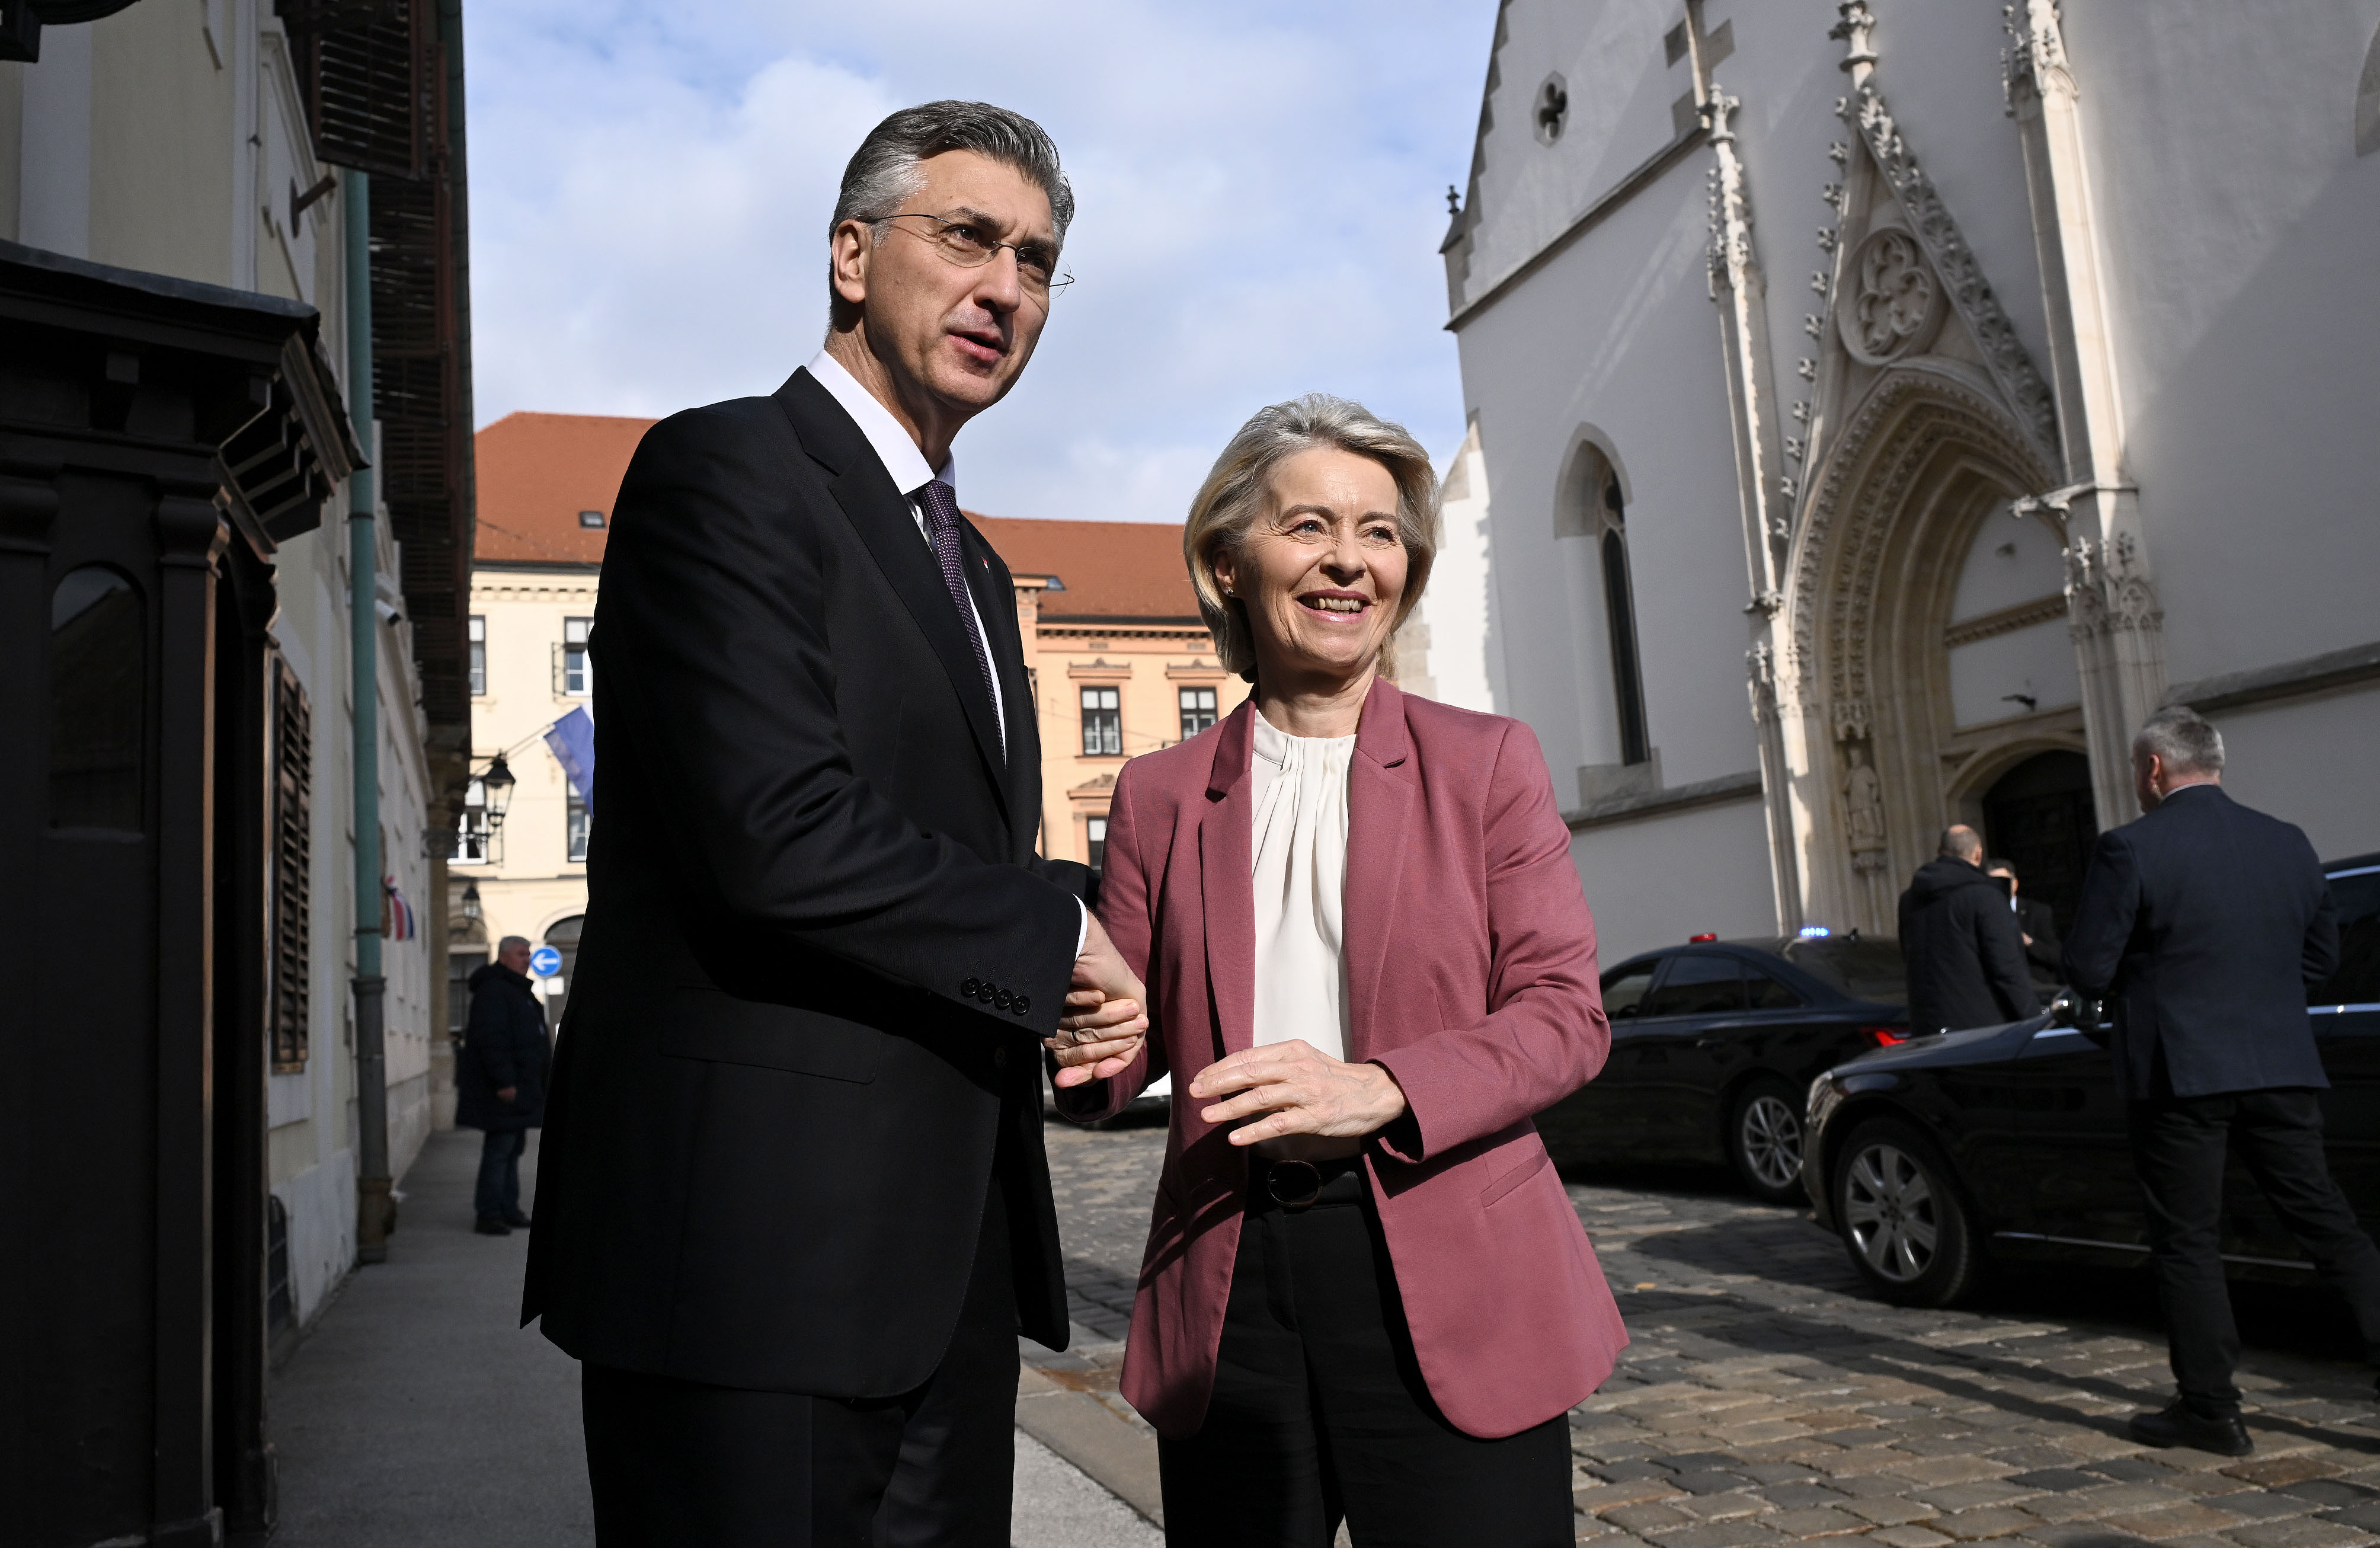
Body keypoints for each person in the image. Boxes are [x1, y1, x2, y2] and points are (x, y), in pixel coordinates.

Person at [521, 102, 1149, 1547]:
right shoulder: (724, 471)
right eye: (971, 238)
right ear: (852, 257)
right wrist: (1050, 925)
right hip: (750, 1267)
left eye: (1041, 263)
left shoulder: (978, 569)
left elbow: (950, 856)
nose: (1007, 287)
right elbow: (773, 831)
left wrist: (1061, 973)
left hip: (947, 1274)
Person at [1047, 396, 1626, 1548]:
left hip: (1452, 1258)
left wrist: (1386, 1088)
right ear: (1228, 561)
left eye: (1378, 531)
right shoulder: (1157, 794)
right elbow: (1110, 1062)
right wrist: (1074, 1037)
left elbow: (1566, 1017)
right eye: (1309, 525)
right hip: (1232, 1277)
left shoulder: (1486, 763)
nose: (1348, 560)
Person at [2065, 706, 2367, 1457]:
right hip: (2278, 1061)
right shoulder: (2286, 841)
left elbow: (2085, 968)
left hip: (2180, 1071)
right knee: (2328, 1223)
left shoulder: (2129, 847)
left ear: (2154, 769)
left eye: (2140, 772)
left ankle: (2210, 1407)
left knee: (2188, 1241)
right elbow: (2318, 959)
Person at [1897, 824, 2040, 1035]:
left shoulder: (1909, 900)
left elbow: (1907, 956)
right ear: (1978, 854)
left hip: (1927, 1028)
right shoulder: (1986, 897)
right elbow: (2007, 968)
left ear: (1939, 852)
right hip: (1981, 1031)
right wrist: (2034, 1021)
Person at [455, 936, 551, 1236]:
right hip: (505, 1090)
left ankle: (509, 1209)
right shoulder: (495, 991)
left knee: (512, 1148)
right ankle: (489, 1214)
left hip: (521, 1087)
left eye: (529, 954)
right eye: (522, 954)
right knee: (500, 1150)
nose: (527, 959)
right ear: (505, 956)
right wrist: (504, 1081)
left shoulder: (516, 990)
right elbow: (492, 1040)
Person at [1984, 855, 2062, 989]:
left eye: (2003, 882)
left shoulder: (2037, 912)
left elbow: (2056, 956)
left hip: (2037, 986)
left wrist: (2029, 942)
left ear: (2015, 884)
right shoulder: (1983, 915)